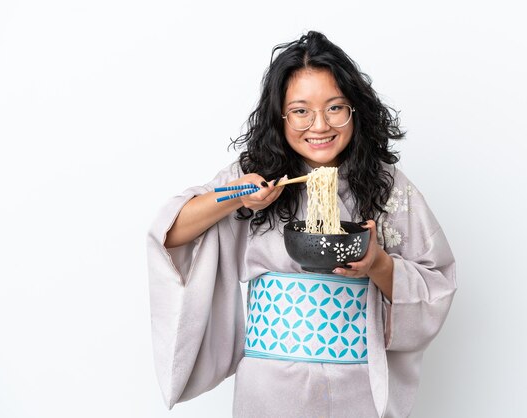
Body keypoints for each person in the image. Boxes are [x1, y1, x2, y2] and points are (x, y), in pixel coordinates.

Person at [147, 31, 457, 417]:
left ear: (354, 110)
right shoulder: (255, 176)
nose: (319, 125)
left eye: (335, 108)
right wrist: (235, 195)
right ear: (280, 116)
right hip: (270, 384)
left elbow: (437, 285)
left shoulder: (386, 185)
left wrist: (378, 264)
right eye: (300, 111)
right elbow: (172, 235)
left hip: (356, 381)